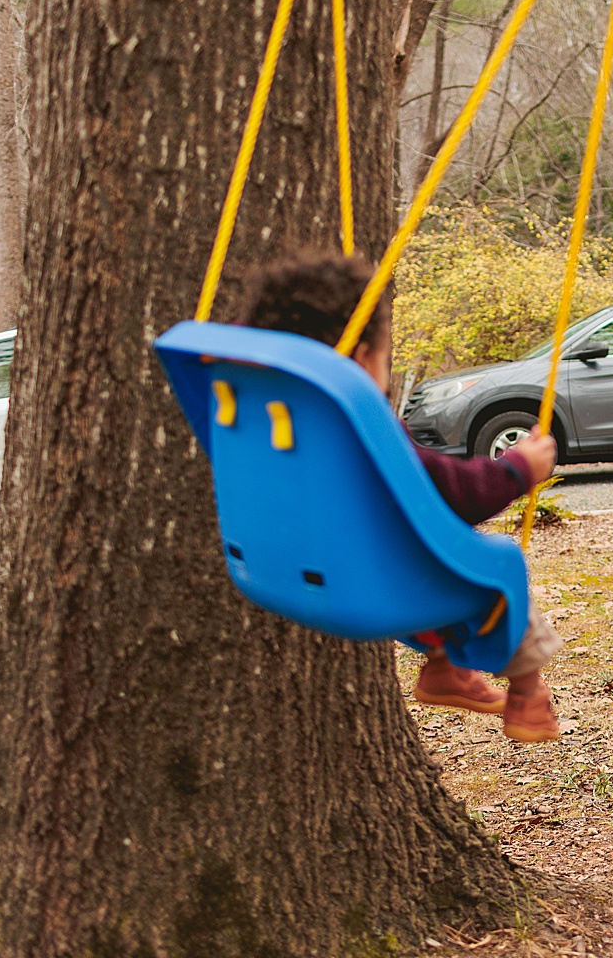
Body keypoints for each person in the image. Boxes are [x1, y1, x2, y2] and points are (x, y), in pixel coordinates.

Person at [238, 249, 563, 742]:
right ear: (365, 355)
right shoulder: (357, 420)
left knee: (428, 544)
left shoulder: (270, 417)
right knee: (494, 566)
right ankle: (527, 692)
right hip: (380, 583)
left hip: (290, 564)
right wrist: (519, 467)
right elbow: (456, 491)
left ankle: (442, 667)